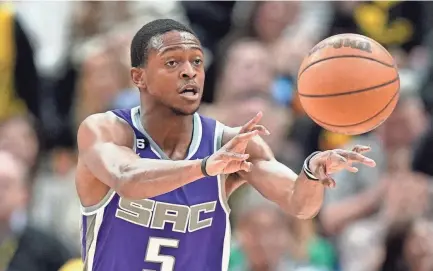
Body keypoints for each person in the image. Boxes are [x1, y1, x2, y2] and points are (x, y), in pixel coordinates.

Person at [75, 19, 376, 271]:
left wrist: (311, 172)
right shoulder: (106, 130)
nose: (188, 71)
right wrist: (205, 167)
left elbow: (299, 203)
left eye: (196, 62)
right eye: (172, 62)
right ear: (139, 77)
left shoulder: (230, 142)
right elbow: (127, 179)